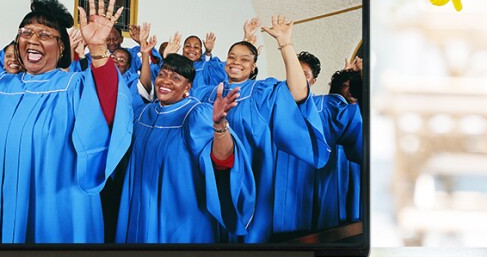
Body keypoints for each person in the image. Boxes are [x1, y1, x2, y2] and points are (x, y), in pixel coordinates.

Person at [0, 0, 134, 244]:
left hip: (54, 214)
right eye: (26, 32)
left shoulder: (76, 87)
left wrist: (98, 49)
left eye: (45, 34)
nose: (33, 39)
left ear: (62, 48)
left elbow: (110, 110)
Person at [191, 16, 330, 243]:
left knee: (247, 240)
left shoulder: (261, 92)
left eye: (245, 59)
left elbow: (297, 93)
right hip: (211, 175)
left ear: (254, 66)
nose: (236, 62)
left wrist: (285, 44)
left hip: (253, 177)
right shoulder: (206, 93)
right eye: (232, 57)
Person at [115, 54, 255, 243]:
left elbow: (222, 161)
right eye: (162, 75)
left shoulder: (195, 114)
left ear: (187, 87)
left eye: (176, 78)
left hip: (179, 216)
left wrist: (220, 125)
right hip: (140, 209)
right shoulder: (143, 114)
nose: (165, 81)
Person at [273, 55, 363, 233]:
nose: (297, 77)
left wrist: (357, 77)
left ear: (313, 81)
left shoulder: (327, 105)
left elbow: (354, 121)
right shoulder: (274, 102)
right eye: (294, 72)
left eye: (304, 74)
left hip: (319, 181)